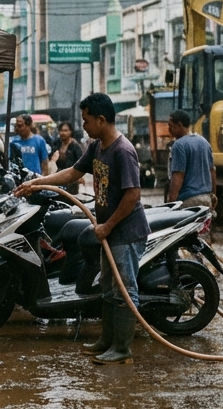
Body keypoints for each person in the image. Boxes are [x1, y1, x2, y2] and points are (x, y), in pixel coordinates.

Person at [16, 93, 148, 365]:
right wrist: (38, 183)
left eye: (86, 120)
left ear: (101, 119)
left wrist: (108, 225)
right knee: (108, 289)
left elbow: (132, 195)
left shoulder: (123, 151)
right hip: (109, 232)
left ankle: (122, 349)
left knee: (124, 290)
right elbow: (73, 173)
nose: (83, 126)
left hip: (125, 232)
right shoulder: (97, 146)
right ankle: (107, 341)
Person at [166, 109, 217, 209]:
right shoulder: (204, 142)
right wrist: (214, 195)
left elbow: (178, 175)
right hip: (206, 199)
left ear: (179, 125)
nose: (169, 129)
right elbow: (212, 171)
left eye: (170, 125)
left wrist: (171, 203)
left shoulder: (179, 145)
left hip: (188, 200)